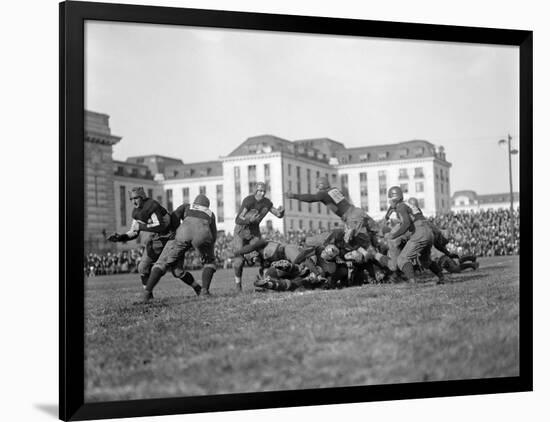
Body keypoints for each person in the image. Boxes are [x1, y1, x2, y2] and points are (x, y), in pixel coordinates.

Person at [141, 194, 218, 302]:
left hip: (183, 233)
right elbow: (214, 235)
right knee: (210, 262)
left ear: (195, 202)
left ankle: (146, 293)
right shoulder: (210, 213)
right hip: (202, 233)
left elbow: (175, 215)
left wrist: (175, 232)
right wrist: (207, 250)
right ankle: (204, 291)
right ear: (207, 205)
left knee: (162, 262)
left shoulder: (188, 207)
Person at [107, 186, 172, 287]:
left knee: (177, 271)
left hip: (169, 237)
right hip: (157, 239)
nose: (133, 201)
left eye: (136, 198)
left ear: (142, 197)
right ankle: (148, 295)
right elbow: (134, 232)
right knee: (142, 267)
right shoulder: (136, 212)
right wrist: (120, 238)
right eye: (131, 199)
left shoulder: (151, 205)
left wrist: (141, 226)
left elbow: (160, 225)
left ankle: (199, 289)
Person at [285, 176, 377, 246]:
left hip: (352, 217)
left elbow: (311, 198)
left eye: (317, 187)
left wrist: (294, 196)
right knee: (377, 234)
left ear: (321, 186)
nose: (317, 190)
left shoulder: (323, 194)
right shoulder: (335, 190)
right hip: (358, 211)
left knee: (361, 245)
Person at [232, 182, 285, 292]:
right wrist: (249, 220)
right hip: (241, 230)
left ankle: (266, 280)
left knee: (264, 254)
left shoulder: (267, 202)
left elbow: (277, 214)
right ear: (255, 191)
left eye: (263, 191)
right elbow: (238, 219)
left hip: (254, 231)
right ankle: (238, 285)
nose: (261, 193)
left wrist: (281, 213)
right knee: (238, 261)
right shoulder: (249, 201)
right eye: (259, 191)